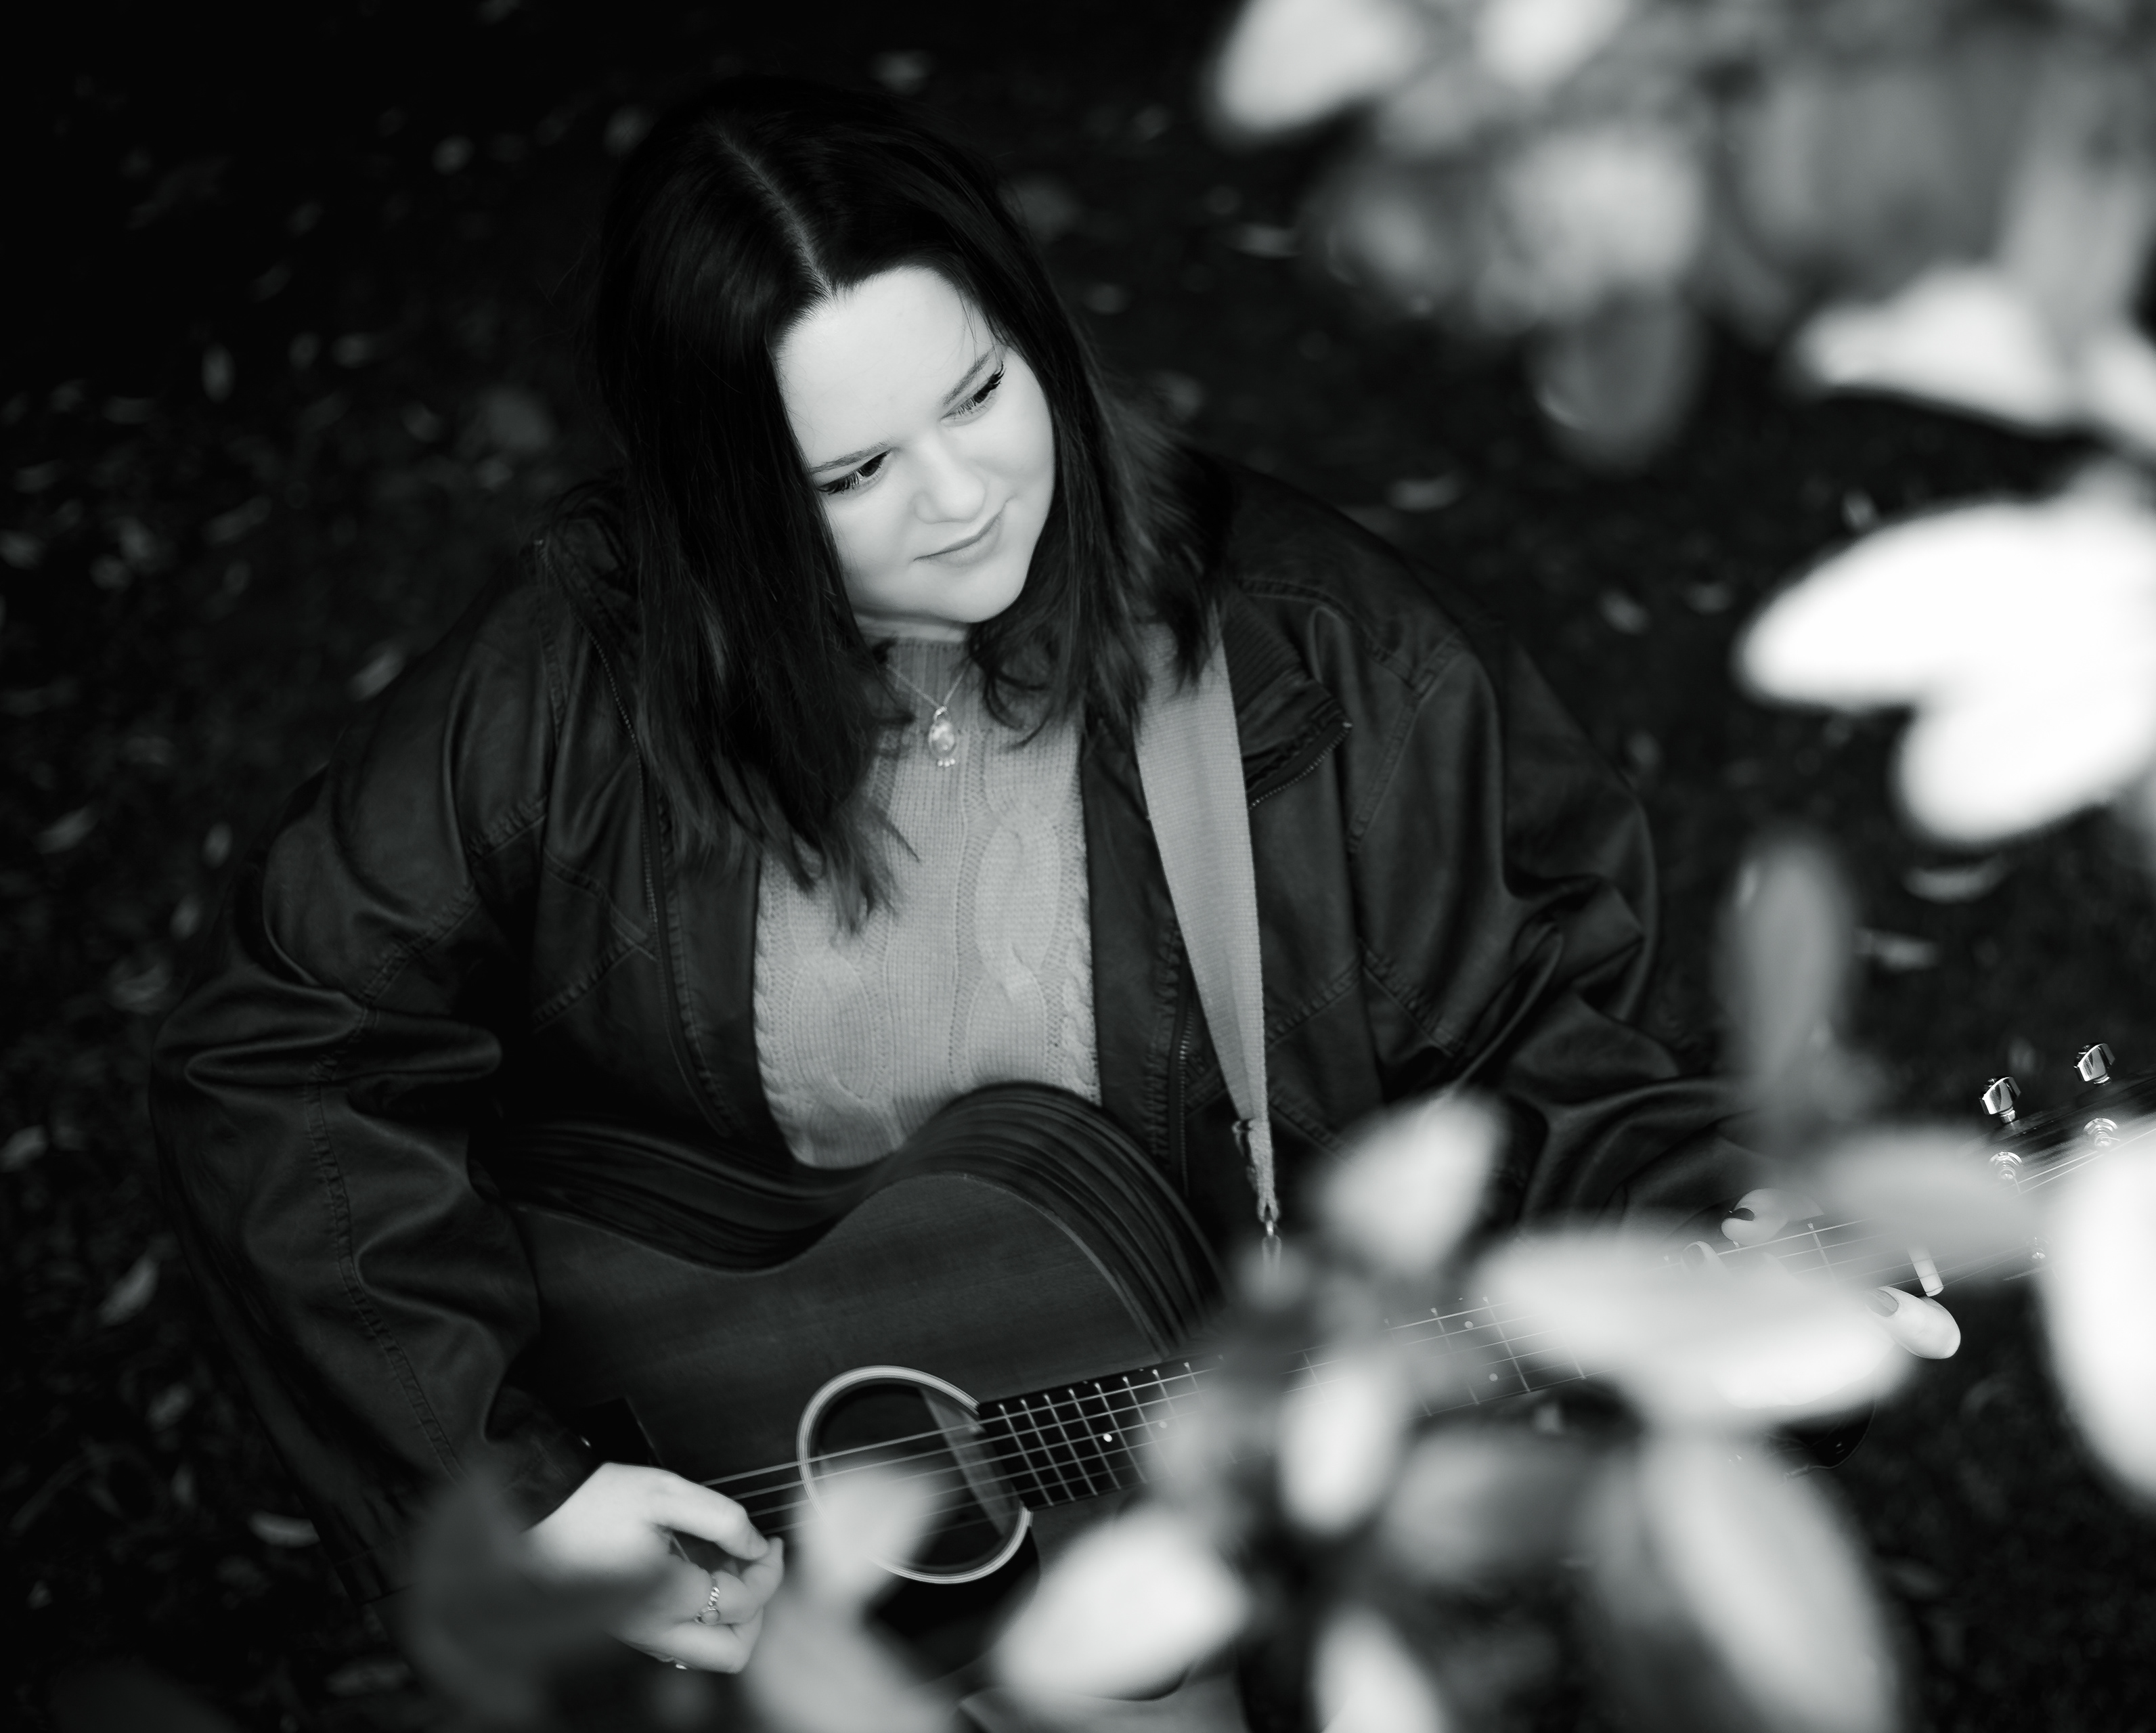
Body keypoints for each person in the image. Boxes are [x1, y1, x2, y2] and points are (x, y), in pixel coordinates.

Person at [151, 76, 1745, 1677]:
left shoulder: (1336, 678)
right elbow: (286, 1038)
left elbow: (1561, 1051)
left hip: (1156, 1591)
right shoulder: (583, 676)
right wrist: (518, 1493)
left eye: (979, 391)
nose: (965, 496)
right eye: (855, 476)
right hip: (744, 1604)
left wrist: (1730, 1238)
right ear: (727, 511)